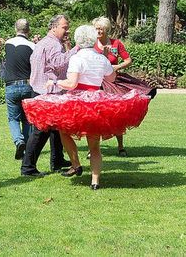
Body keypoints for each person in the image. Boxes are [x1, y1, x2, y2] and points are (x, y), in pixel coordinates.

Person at [23, 25, 150, 189]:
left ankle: (76, 164)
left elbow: (71, 84)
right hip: (97, 101)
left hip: (78, 101)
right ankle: (95, 181)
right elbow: (111, 78)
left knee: (63, 130)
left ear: (78, 40)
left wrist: (54, 82)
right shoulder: (101, 58)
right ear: (93, 40)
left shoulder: (77, 58)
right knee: (94, 144)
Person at [92, 16, 157, 157]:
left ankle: (121, 147)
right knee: (97, 115)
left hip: (114, 82)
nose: (98, 31)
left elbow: (128, 60)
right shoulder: (91, 44)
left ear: (106, 29)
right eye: (96, 28)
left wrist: (116, 67)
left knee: (117, 113)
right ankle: (94, 149)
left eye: (100, 28)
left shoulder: (116, 43)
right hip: (97, 83)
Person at [20, 15, 74, 177]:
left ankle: (57, 161)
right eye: (65, 27)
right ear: (54, 28)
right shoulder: (52, 44)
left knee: (56, 128)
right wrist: (74, 50)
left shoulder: (43, 42)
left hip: (40, 90)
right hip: (47, 92)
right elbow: (59, 63)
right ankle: (28, 167)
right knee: (41, 130)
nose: (67, 30)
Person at [4, 19, 35, 160]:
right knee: (27, 119)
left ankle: (18, 141)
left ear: (15, 28)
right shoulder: (32, 46)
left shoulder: (7, 43)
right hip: (27, 84)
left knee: (13, 118)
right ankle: (27, 146)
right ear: (28, 30)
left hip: (11, 85)